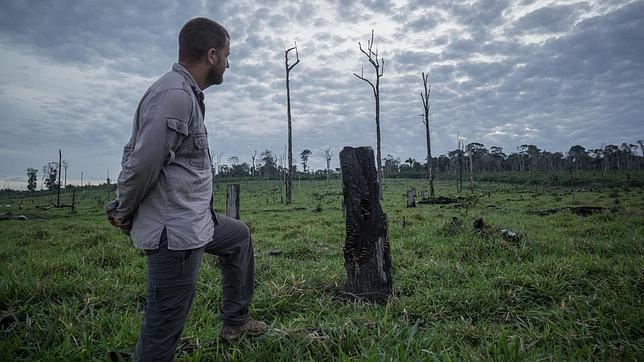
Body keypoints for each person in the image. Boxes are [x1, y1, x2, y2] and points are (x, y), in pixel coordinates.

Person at [107, 17, 266, 361]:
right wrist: (122, 209)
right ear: (211, 55)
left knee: (237, 237)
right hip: (175, 233)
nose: (228, 63)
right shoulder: (174, 95)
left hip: (193, 221)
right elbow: (142, 162)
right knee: (163, 329)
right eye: (227, 55)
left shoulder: (184, 93)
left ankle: (235, 322)